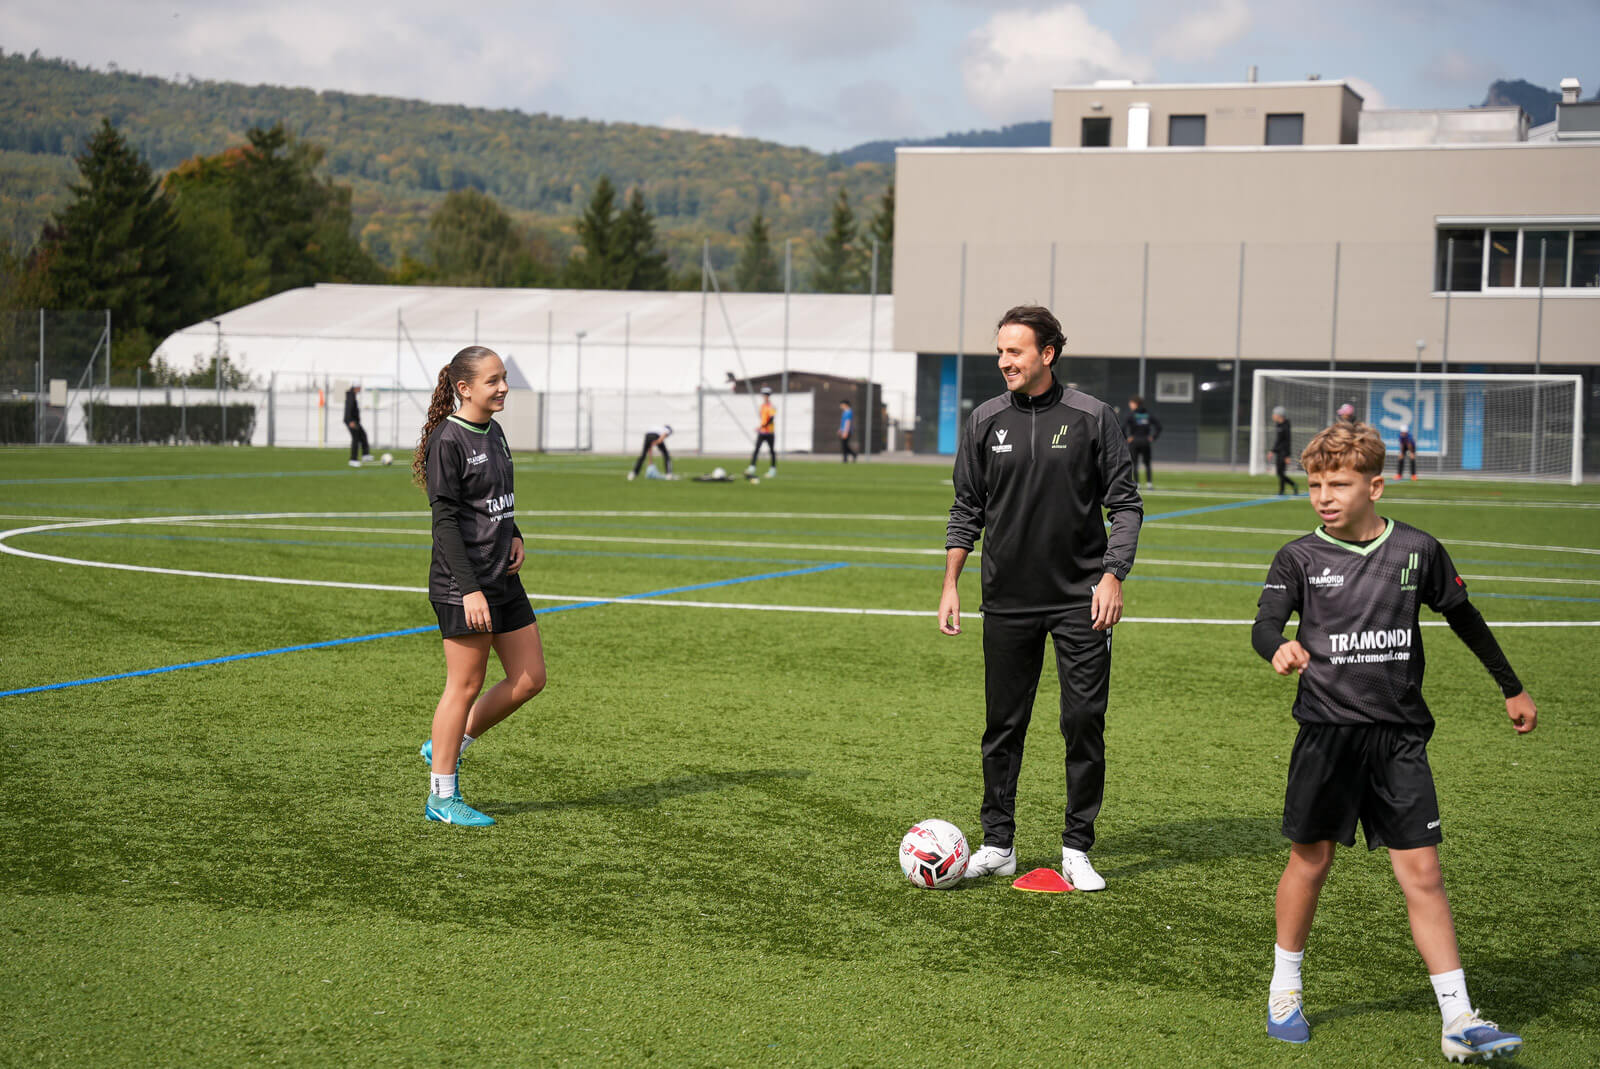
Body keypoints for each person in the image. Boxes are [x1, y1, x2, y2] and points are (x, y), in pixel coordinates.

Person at [1252, 420, 1534, 1059]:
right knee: (1311, 860)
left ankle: (1459, 1020)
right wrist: (1279, 646)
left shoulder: (1417, 550)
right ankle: (1285, 987)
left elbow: (1463, 616)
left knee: (1423, 871)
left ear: (1375, 485)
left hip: (1400, 737)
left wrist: (1510, 687)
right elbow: (1265, 623)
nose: (1324, 495)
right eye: (1316, 483)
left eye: (1340, 484)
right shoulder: (1298, 557)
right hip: (1326, 736)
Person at [940, 304, 1144, 892]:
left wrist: (1112, 575)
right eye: (1000, 350)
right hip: (1006, 599)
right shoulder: (984, 420)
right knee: (1003, 725)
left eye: (1015, 351)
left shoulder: (1092, 418)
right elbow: (966, 509)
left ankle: (1077, 847)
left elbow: (1124, 505)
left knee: (1083, 722)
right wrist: (952, 583)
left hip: (1081, 600)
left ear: (1047, 355)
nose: (1004, 360)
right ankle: (998, 843)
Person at [412, 346, 546, 828]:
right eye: (493, 380)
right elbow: (445, 521)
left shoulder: (496, 431)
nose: (503, 387)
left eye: (504, 377)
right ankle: (441, 796)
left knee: (530, 678)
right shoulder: (448, 440)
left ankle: (447, 743)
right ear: (464, 388)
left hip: (503, 578)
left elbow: (498, 501)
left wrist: (516, 534)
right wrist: (468, 590)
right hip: (462, 584)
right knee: (464, 685)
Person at [1122, 396, 1161, 488]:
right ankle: (1149, 484)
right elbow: (1159, 427)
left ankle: (1137, 484)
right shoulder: (1148, 414)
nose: (1129, 405)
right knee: (1147, 463)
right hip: (1145, 441)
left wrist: (1127, 438)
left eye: (1131, 403)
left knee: (1134, 463)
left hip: (1134, 441)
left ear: (1135, 403)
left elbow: (1122, 428)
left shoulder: (1131, 415)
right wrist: (1153, 437)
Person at [745, 386, 777, 478]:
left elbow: (771, 419)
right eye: (764, 395)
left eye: (766, 395)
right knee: (756, 450)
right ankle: (752, 467)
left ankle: (772, 470)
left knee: (771, 451)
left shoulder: (771, 406)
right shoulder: (762, 406)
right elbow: (763, 419)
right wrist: (760, 427)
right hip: (762, 432)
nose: (765, 396)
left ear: (769, 396)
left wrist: (763, 426)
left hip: (770, 432)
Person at [1267, 406, 1298, 495]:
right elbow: (1278, 441)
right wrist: (1272, 451)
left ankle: (1293, 485)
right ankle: (1282, 491)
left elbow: (1287, 441)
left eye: (1274, 414)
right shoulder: (1278, 425)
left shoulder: (1286, 426)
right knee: (1280, 472)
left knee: (1280, 473)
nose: (1273, 416)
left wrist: (1287, 455)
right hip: (1279, 452)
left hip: (1284, 453)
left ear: (1279, 415)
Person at [345, 384, 373, 467]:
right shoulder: (351, 396)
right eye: (359, 388)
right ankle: (353, 460)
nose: (360, 389)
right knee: (355, 439)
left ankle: (365, 455)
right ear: (356, 387)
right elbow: (348, 409)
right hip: (352, 421)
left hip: (355, 421)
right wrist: (350, 421)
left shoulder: (352, 395)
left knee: (363, 435)